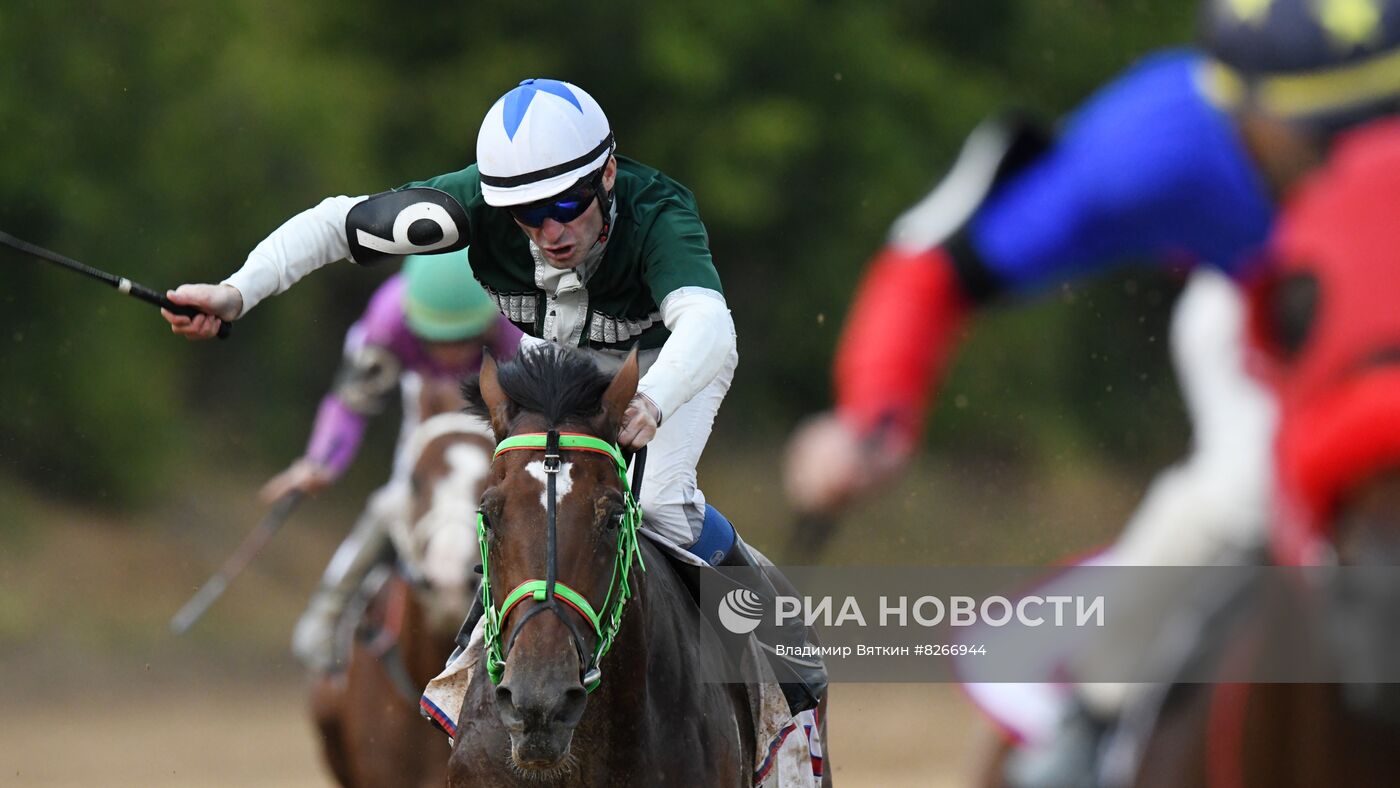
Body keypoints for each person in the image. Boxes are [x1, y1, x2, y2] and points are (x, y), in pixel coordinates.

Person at [780, 0, 1400, 782]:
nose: (1370, 167)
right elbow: (938, 268)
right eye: (1327, 143)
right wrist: (874, 411)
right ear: (1237, 107)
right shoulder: (1158, 140)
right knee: (1245, 488)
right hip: (1265, 314)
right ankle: (1087, 726)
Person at [161, 78, 825, 713]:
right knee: (513, 500)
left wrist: (651, 399)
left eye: (567, 206)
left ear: (609, 174)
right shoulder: (468, 206)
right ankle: (475, 663)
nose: (549, 233)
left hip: (667, 361)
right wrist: (237, 291)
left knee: (655, 504)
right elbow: (340, 224)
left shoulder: (659, 213)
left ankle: (779, 634)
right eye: (526, 216)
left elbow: (708, 324)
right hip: (554, 357)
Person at [260, 250, 520, 673]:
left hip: (497, 413)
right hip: (423, 407)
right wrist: (320, 462)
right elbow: (351, 401)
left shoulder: (512, 322)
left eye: (463, 337)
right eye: (438, 338)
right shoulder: (388, 321)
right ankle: (327, 612)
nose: (452, 351)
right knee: (394, 501)